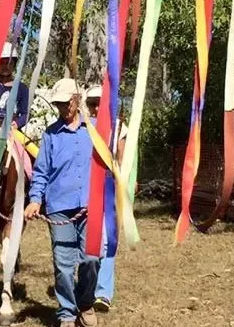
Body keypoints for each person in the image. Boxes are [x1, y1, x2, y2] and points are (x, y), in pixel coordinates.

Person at [24, 78, 100, 327]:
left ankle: (86, 303)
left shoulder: (96, 130)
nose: (62, 109)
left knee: (91, 259)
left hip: (90, 206)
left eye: (66, 103)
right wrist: (35, 200)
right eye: (58, 104)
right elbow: (41, 171)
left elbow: (108, 165)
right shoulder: (50, 135)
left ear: (77, 100)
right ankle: (67, 312)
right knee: (63, 264)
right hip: (59, 207)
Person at [84, 85, 128, 313]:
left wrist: (124, 185)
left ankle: (103, 292)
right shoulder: (83, 125)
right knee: (88, 239)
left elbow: (123, 158)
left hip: (110, 185)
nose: (97, 107)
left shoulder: (119, 127)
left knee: (109, 238)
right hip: (86, 188)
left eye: (101, 102)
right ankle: (87, 288)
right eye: (93, 103)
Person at [0, 41, 30, 130]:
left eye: (9, 63)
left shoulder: (22, 88)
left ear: (14, 64)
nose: (6, 66)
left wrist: (17, 123)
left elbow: (26, 113)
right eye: (2, 63)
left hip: (9, 129)